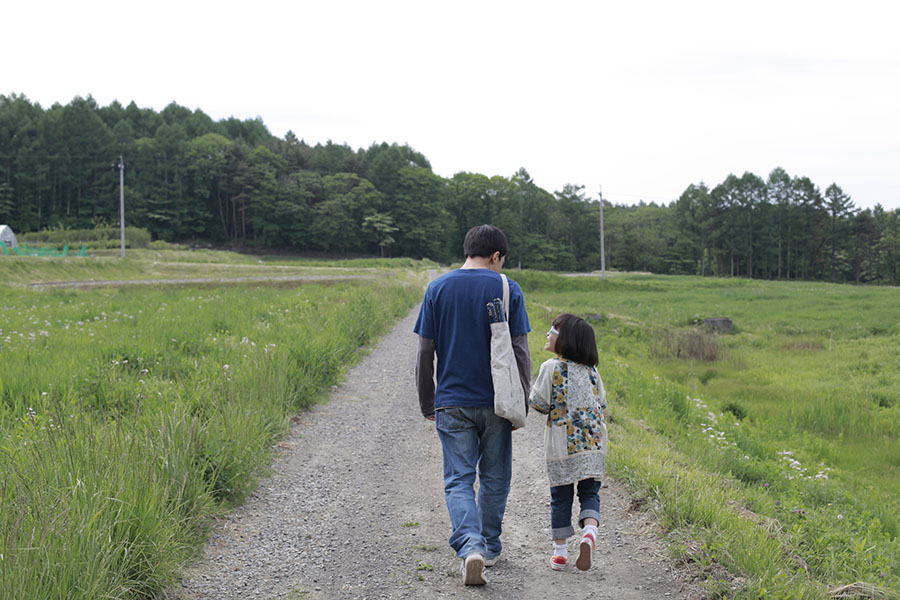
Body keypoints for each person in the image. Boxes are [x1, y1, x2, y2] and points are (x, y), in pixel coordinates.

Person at [414, 224, 531, 586]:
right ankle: (491, 547)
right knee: (495, 477)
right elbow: (520, 351)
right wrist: (520, 401)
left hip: (451, 401)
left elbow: (424, 353)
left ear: (468, 251)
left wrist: (427, 402)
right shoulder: (507, 288)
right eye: (501, 261)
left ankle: (470, 546)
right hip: (497, 400)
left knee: (458, 479)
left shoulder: (437, 287)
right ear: (496, 256)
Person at [529, 313, 608, 572]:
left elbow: (539, 405)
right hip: (594, 443)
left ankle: (560, 553)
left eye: (553, 330)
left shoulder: (551, 368)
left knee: (560, 496)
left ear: (566, 340)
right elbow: (603, 404)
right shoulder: (593, 372)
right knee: (590, 493)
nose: (548, 334)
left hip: (563, 445)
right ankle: (589, 533)